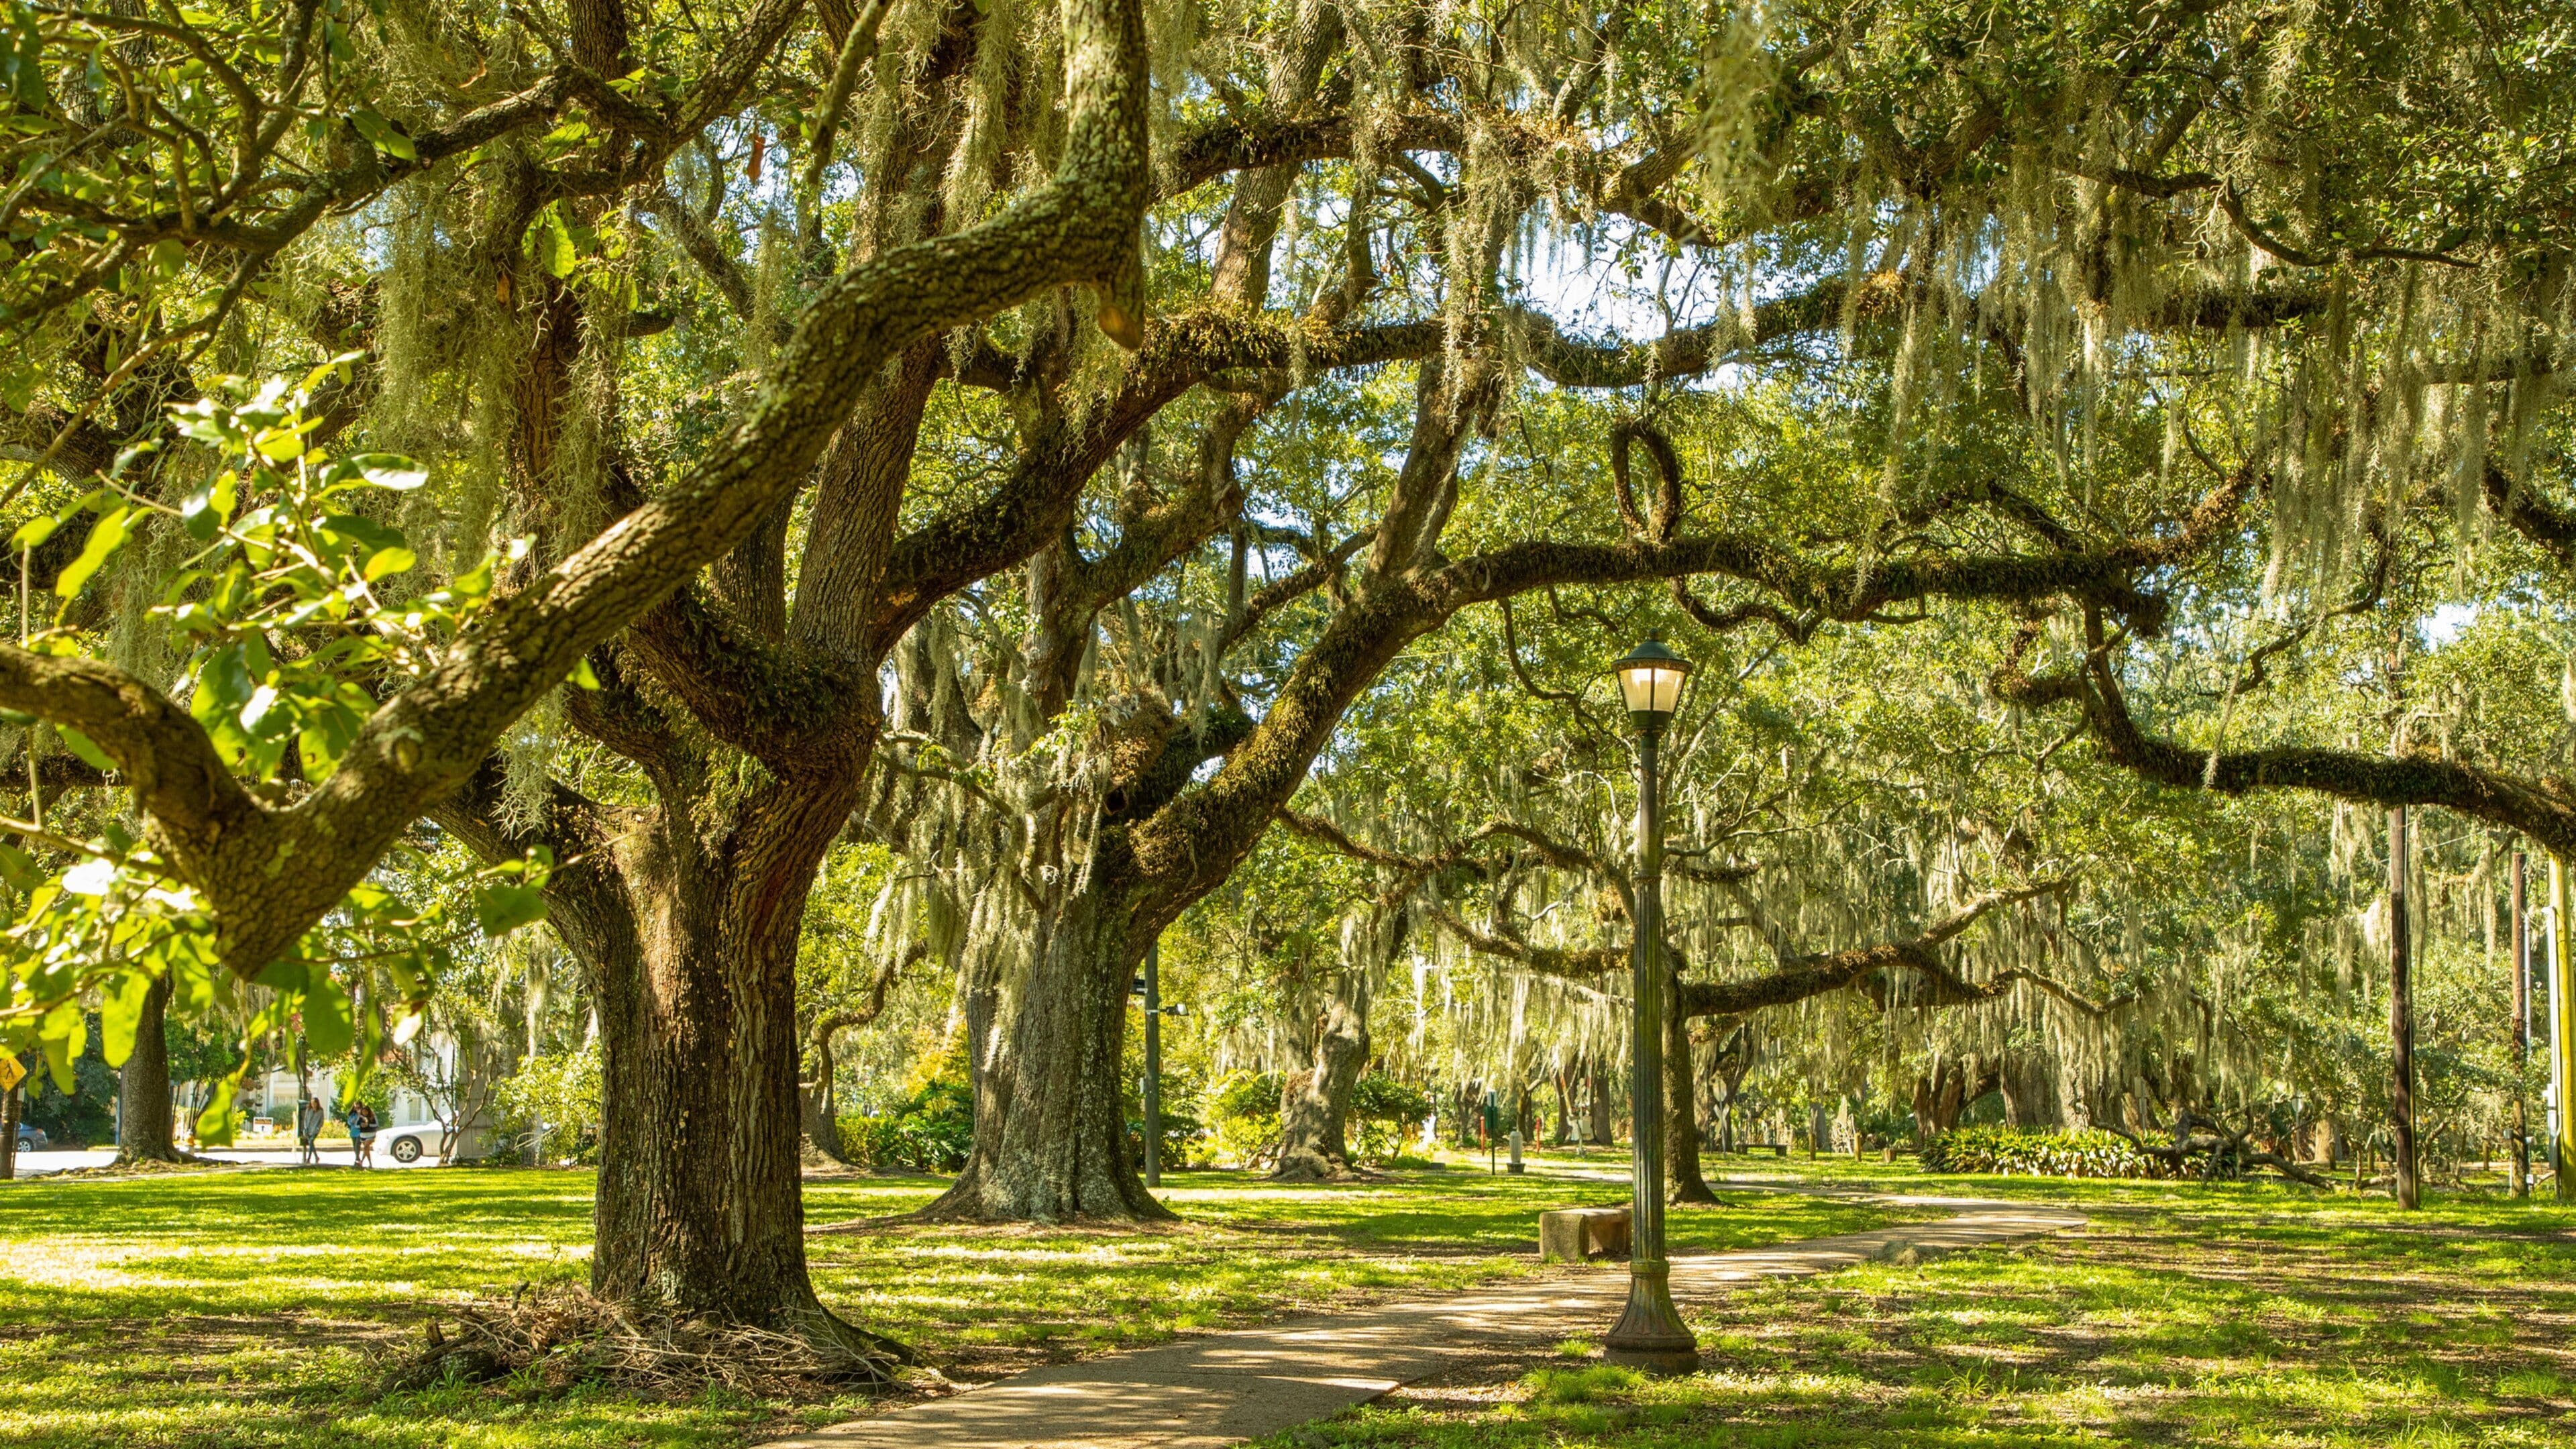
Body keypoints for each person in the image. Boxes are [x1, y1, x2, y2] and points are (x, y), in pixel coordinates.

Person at [295, 1096, 323, 1167]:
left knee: (311, 1141)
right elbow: (306, 1119)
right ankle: (316, 1157)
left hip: (315, 1130)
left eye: (314, 1103)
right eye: (312, 1103)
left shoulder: (320, 1111)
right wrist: (305, 1128)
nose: (313, 1105)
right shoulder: (309, 1110)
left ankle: (309, 1158)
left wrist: (318, 1128)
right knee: (311, 1144)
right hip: (308, 1129)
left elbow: (321, 1121)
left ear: (317, 1103)